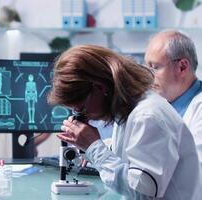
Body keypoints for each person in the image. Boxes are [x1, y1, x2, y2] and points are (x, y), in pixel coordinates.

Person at [48, 45, 201, 199]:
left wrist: (94, 148)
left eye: (81, 109)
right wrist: (87, 148)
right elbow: (131, 153)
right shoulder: (130, 110)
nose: (85, 117)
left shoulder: (147, 116)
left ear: (100, 88)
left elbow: (142, 193)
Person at [145, 30, 202, 164]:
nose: (148, 75)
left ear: (182, 67)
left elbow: (192, 164)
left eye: (154, 67)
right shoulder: (161, 103)